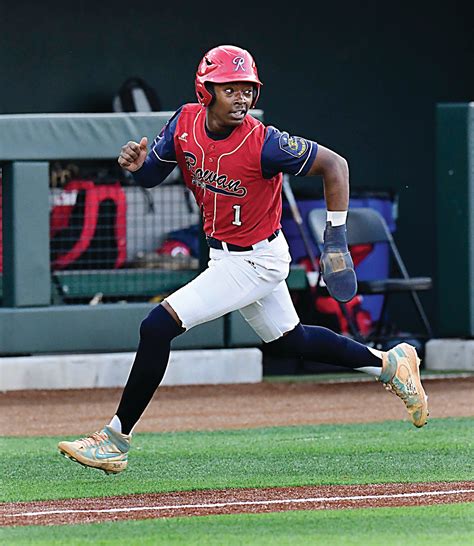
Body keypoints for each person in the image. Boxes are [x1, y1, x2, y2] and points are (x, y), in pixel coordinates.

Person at [58, 45, 428, 475]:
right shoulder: (183, 123)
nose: (241, 98)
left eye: (247, 89)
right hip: (225, 257)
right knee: (293, 341)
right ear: (206, 89)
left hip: (256, 260)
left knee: (156, 326)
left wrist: (336, 238)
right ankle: (390, 364)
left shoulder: (264, 142)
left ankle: (115, 439)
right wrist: (137, 166)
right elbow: (152, 175)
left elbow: (336, 166)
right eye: (230, 88)